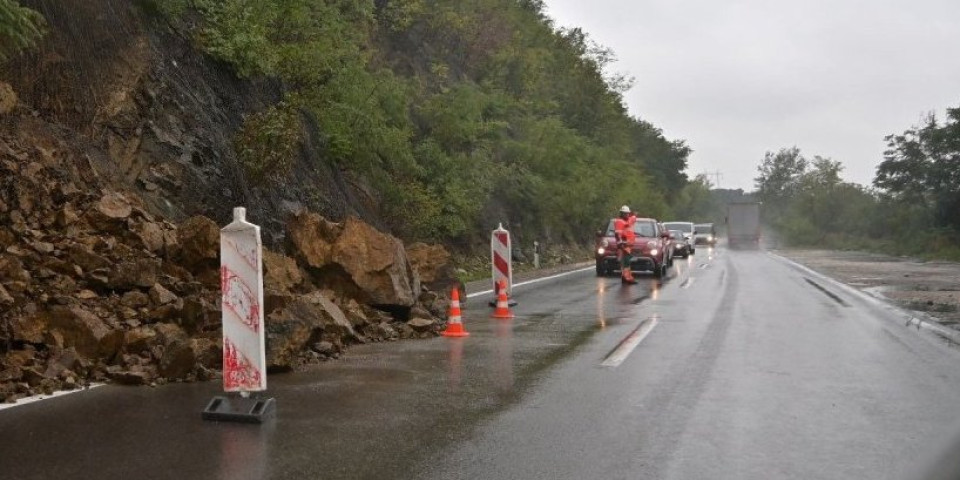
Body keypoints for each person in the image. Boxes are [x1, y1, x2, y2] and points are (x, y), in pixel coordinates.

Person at [614, 205, 637, 284]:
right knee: (626, 262)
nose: (627, 215)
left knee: (627, 262)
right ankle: (627, 278)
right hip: (624, 246)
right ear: (621, 214)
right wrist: (620, 244)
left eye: (627, 213)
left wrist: (635, 215)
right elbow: (617, 234)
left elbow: (633, 218)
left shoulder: (628, 220)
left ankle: (626, 277)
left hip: (628, 245)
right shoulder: (619, 222)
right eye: (625, 213)